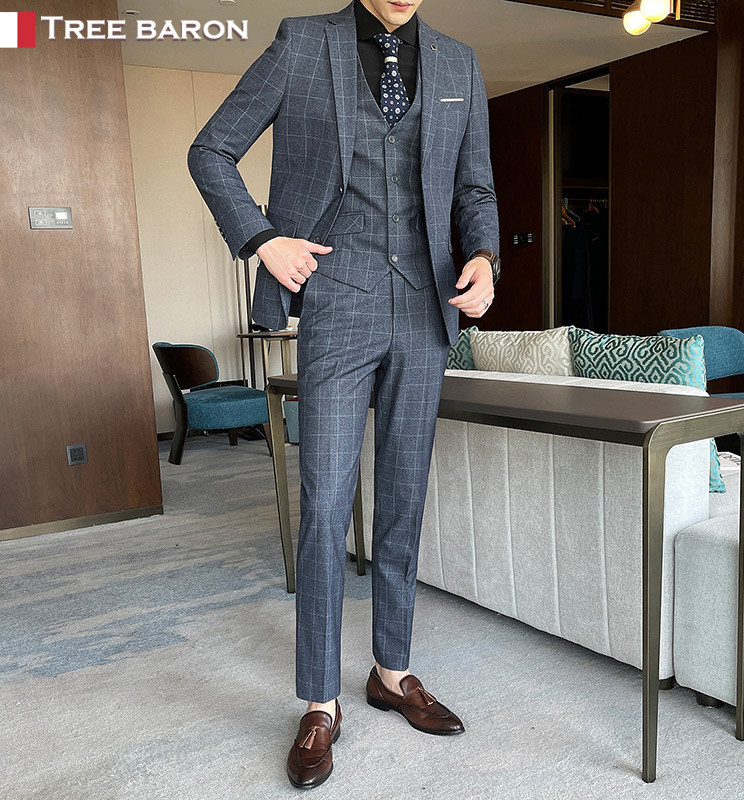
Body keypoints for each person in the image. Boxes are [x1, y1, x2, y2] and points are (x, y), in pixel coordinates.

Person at [187, 0, 499, 788]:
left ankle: (391, 672)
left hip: (426, 310)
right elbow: (211, 149)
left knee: (404, 496)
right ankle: (320, 700)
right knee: (326, 501)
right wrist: (263, 239)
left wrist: (485, 258)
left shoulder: (459, 63)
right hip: (337, 302)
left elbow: (475, 189)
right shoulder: (304, 43)